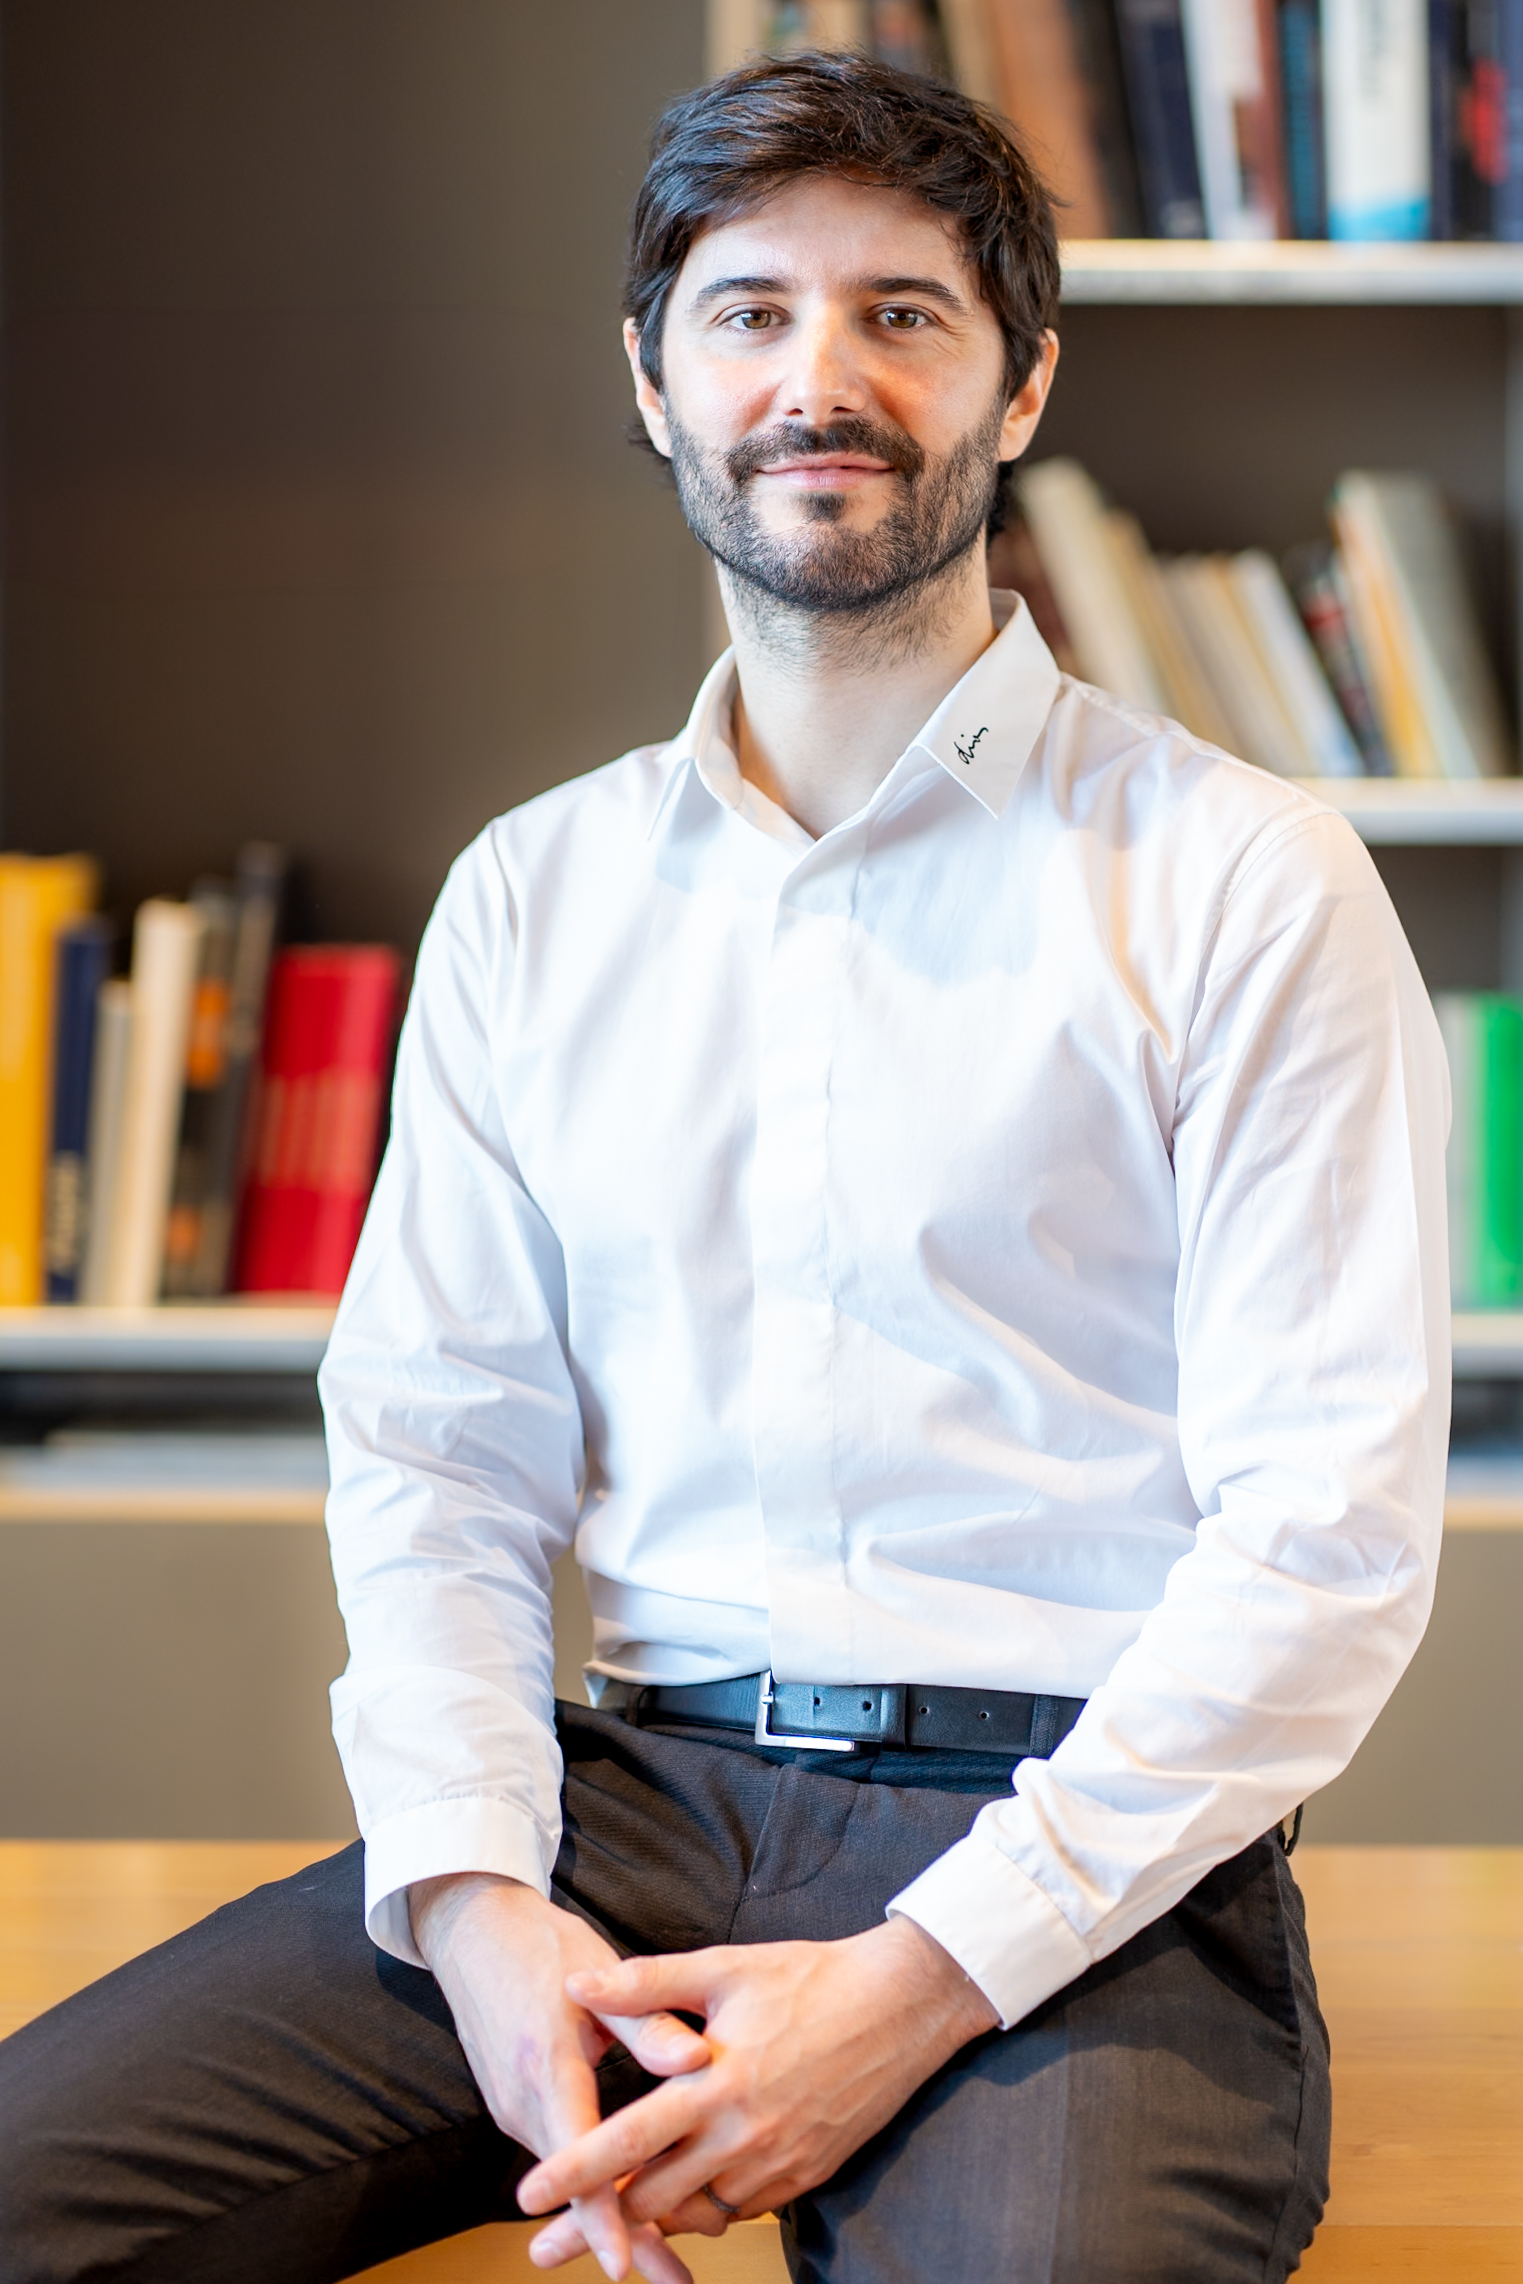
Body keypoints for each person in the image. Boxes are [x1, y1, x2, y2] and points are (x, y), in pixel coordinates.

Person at [1, 50, 1448, 2284]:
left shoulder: (1250, 878)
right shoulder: (532, 894)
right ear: (655, 379)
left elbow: (1325, 1548)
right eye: (750, 311)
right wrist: (485, 1913)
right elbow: (440, 1458)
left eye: (905, 312)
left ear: (1023, 384)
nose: (822, 377)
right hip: (624, 1812)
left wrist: (916, 1976)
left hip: (1073, 1835)